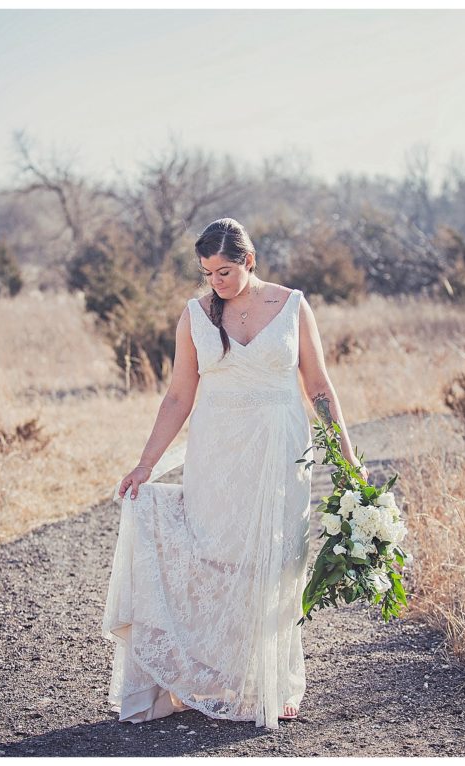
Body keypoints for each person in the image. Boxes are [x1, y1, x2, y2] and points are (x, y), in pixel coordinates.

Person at [103, 217, 366, 729]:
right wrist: (145, 463)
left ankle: (271, 680)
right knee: (217, 556)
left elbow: (318, 386)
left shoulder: (291, 305)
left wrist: (349, 463)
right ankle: (214, 676)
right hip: (218, 452)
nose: (215, 283)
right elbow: (179, 395)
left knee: (277, 560)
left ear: (249, 260)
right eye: (207, 273)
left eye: (224, 271)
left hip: (281, 451)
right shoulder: (195, 315)